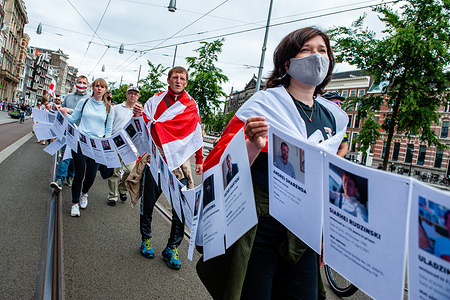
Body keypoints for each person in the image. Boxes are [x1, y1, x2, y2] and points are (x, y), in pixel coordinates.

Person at [197, 27, 348, 299]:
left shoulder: (334, 118)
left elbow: (329, 181)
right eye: (306, 49)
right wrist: (252, 145)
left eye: (322, 51)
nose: (316, 56)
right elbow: (219, 163)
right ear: (287, 62)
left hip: (303, 229)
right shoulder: (263, 104)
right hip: (260, 224)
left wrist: (327, 234)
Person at [133, 66, 203, 270]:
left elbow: (196, 133)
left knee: (180, 209)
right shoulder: (154, 101)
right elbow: (144, 124)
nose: (178, 81)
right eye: (175, 77)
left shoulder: (191, 105)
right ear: (168, 79)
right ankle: (146, 239)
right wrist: (138, 114)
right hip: (155, 158)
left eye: (182, 78)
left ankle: (172, 248)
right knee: (148, 204)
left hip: (179, 164)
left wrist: (199, 159)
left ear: (186, 82)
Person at [60, 78, 113, 217]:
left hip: (96, 145)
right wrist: (64, 114)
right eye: (96, 86)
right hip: (81, 141)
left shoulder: (108, 108)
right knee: (79, 173)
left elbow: (108, 129)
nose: (99, 89)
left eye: (102, 87)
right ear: (93, 88)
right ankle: (75, 203)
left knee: (90, 175)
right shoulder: (84, 102)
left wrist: (105, 145)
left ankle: (84, 193)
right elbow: (73, 119)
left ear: (106, 89)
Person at [50, 76, 89, 190]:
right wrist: (57, 108)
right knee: (65, 154)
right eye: (79, 82)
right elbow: (62, 110)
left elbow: (83, 113)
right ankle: (59, 179)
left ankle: (71, 175)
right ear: (75, 83)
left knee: (74, 156)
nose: (81, 84)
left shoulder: (89, 98)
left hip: (81, 131)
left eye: (84, 83)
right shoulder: (68, 96)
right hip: (67, 129)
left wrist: (69, 110)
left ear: (87, 85)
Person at [106, 86, 140, 206]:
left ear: (138, 97)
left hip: (131, 146)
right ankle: (112, 196)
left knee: (131, 171)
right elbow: (109, 125)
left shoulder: (140, 111)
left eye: (135, 94)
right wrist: (108, 140)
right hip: (116, 142)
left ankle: (122, 188)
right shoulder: (116, 109)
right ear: (126, 95)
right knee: (115, 171)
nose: (133, 95)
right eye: (130, 93)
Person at [321, 91, 349, 157]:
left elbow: (344, 147)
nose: (339, 105)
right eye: (335, 103)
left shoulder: (340, 125)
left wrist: (333, 160)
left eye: (341, 103)